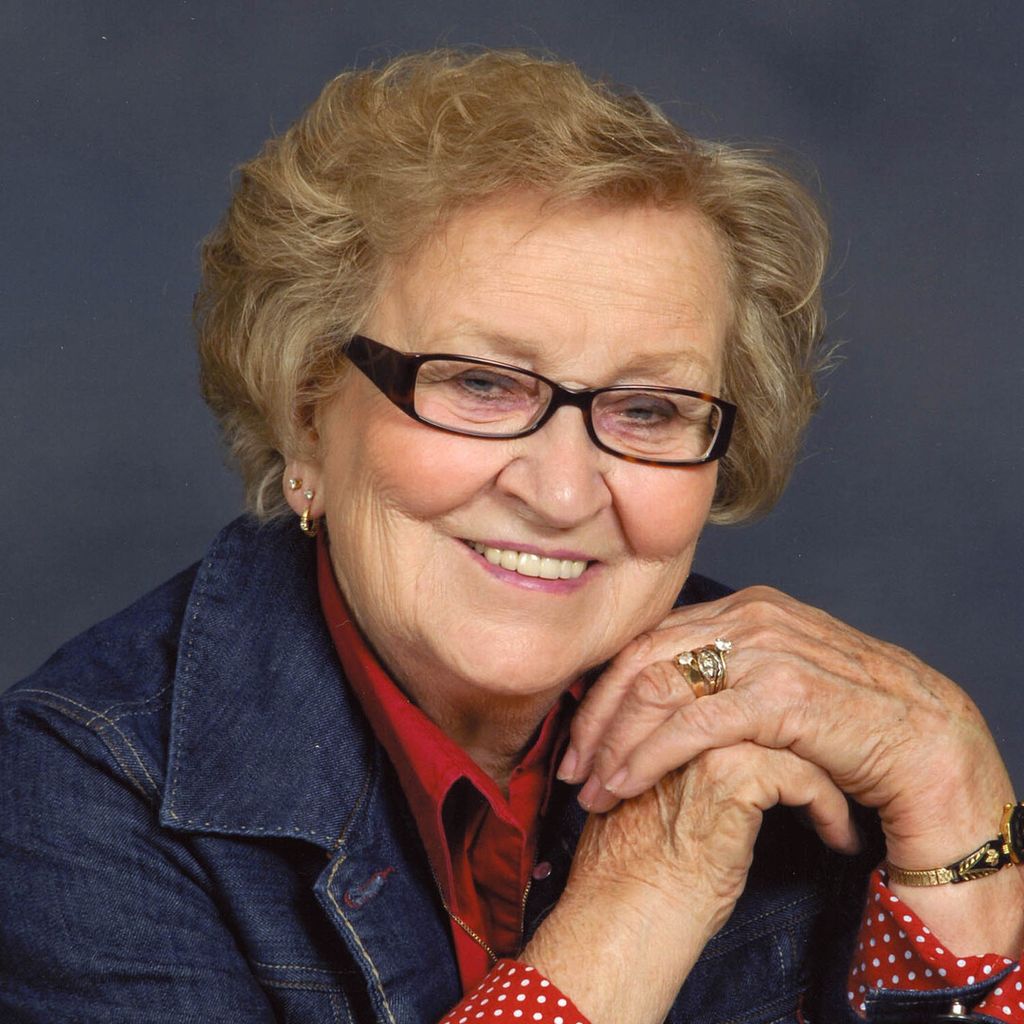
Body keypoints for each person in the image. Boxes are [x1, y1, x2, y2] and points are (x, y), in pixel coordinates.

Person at [1, 48, 1021, 1024]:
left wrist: (955, 788)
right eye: (481, 385)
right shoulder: (73, 789)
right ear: (305, 414)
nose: (564, 490)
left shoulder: (791, 712)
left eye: (649, 408)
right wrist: (650, 890)